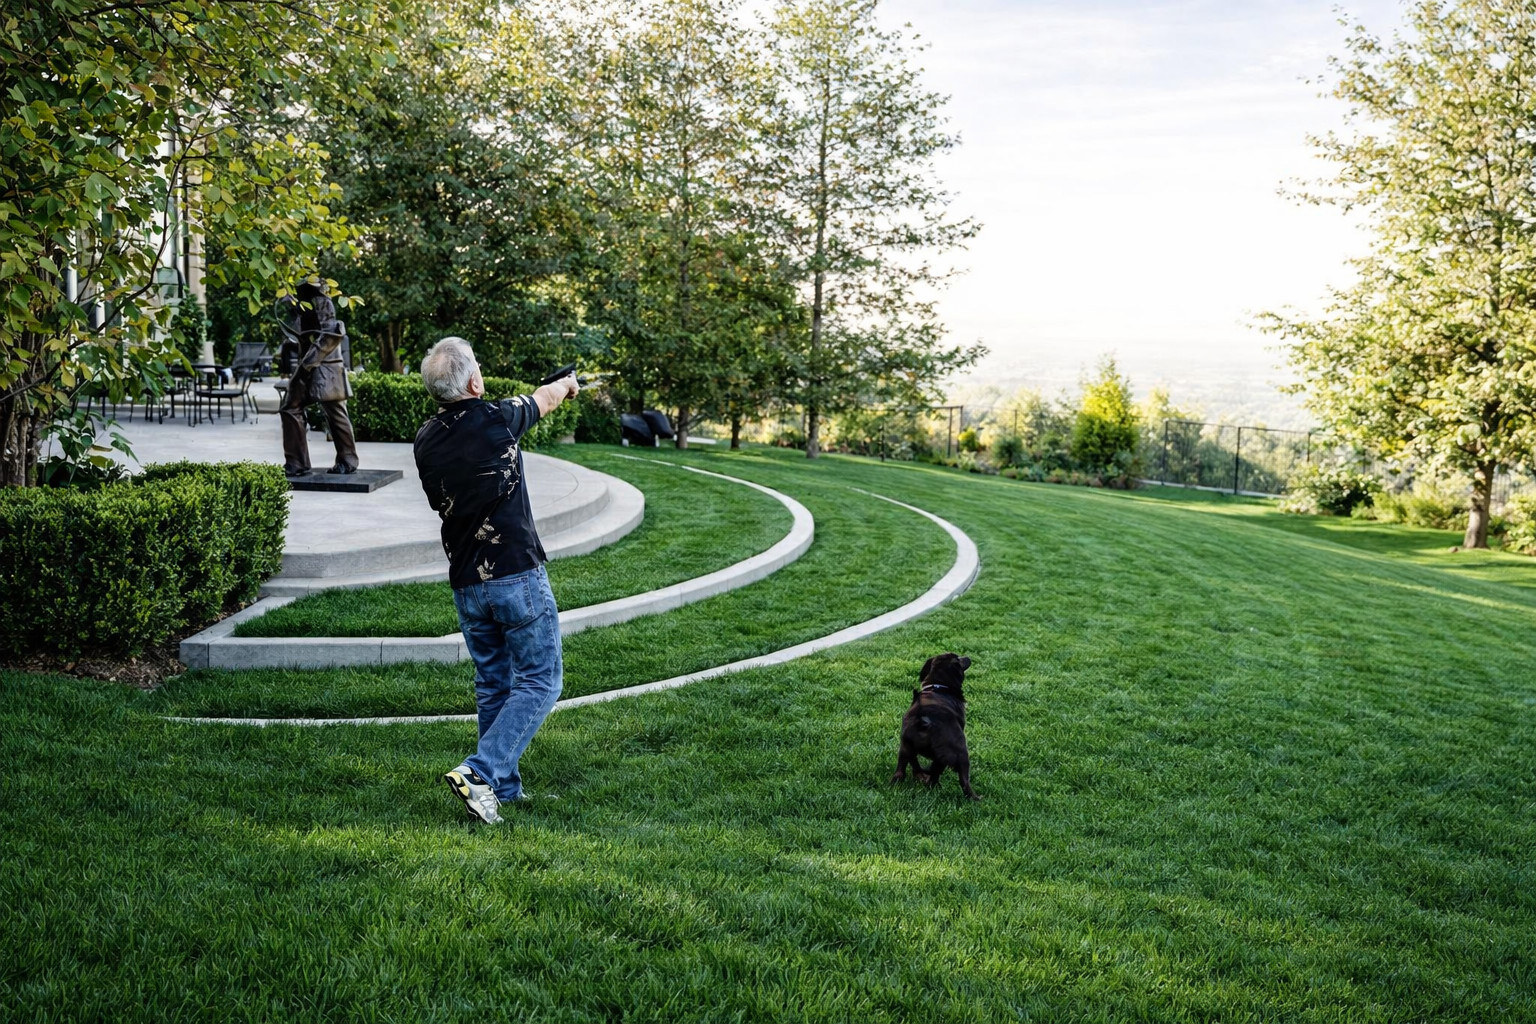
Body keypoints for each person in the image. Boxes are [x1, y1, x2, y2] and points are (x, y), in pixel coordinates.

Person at [413, 336, 579, 824]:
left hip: (466, 580)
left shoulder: (425, 438)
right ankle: (480, 771)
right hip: (514, 573)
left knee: (493, 683)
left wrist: (550, 388)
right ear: (474, 381)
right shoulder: (495, 419)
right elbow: (543, 400)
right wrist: (565, 386)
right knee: (542, 680)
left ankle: (502, 790)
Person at [277, 279, 358, 476]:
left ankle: (347, 460)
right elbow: (301, 330)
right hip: (309, 366)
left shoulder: (320, 300)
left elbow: (331, 334)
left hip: (325, 369)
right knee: (290, 408)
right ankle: (296, 463)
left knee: (335, 413)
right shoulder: (302, 301)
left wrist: (307, 364)